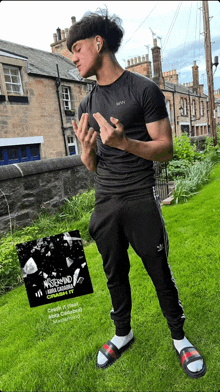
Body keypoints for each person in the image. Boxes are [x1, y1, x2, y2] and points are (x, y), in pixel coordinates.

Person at [67, 9, 206, 378]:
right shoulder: (86, 104)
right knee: (114, 274)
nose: (75, 58)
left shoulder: (144, 90)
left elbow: (166, 148)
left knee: (158, 270)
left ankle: (179, 337)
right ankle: (123, 332)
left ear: (99, 43)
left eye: (78, 48)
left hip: (140, 197)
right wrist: (85, 151)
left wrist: (126, 142)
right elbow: (94, 165)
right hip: (105, 201)